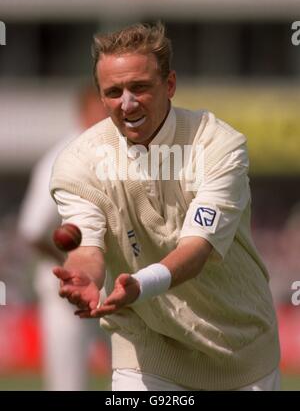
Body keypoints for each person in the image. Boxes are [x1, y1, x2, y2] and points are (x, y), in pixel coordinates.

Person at [50, 22, 281, 391]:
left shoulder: (218, 144)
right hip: (146, 346)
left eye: (139, 87)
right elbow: (86, 244)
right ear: (100, 96)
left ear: (169, 85)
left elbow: (196, 249)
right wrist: (83, 275)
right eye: (113, 92)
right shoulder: (78, 162)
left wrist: (140, 284)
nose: (126, 103)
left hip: (240, 350)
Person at [18, 85, 108, 391]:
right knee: (68, 386)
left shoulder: (120, 152)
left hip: (115, 291)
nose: (108, 117)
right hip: (66, 294)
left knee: (141, 380)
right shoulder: (61, 158)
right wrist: (73, 265)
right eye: (101, 109)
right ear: (83, 113)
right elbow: (32, 230)